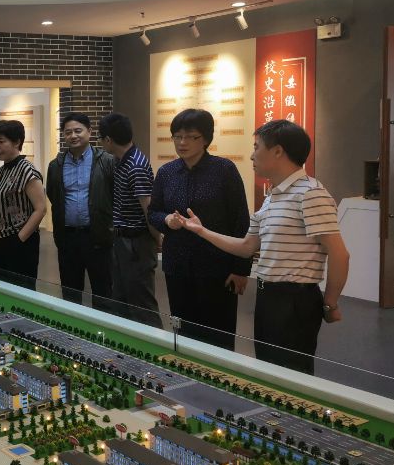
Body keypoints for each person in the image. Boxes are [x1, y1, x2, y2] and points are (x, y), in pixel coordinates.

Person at [174, 120, 349, 374]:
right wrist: (201, 231)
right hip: (269, 296)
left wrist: (330, 303)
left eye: (257, 147)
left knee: (291, 375)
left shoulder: (311, 193)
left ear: (278, 151)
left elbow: (339, 254)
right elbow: (247, 247)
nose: (251, 155)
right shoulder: (273, 196)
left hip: (294, 300)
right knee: (269, 372)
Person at [148, 109, 251, 350]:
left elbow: (240, 220)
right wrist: (167, 220)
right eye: (177, 136)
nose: (182, 143)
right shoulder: (167, 172)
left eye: (190, 137)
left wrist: (240, 269)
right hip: (178, 266)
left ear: (205, 138)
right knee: (184, 333)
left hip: (217, 267)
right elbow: (153, 212)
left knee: (218, 335)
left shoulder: (224, 170)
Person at [46, 112, 115, 305]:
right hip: (67, 238)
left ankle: (102, 325)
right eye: (68, 132)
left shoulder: (106, 161)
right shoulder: (56, 165)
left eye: (78, 131)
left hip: (98, 237)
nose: (73, 136)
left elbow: (114, 195)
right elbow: (53, 194)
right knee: (70, 292)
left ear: (89, 131)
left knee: (103, 292)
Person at [98, 113, 161, 321]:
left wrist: (157, 240)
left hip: (136, 243)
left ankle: (152, 341)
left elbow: (149, 210)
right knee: (122, 300)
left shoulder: (135, 165)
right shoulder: (122, 161)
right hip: (123, 241)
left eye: (101, 139)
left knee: (142, 304)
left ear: (108, 140)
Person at [0, 119, 47, 289]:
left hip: (21, 242)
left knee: (21, 291)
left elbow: (41, 209)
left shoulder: (27, 170)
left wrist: (19, 239)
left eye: (1, 141)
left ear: (17, 142)